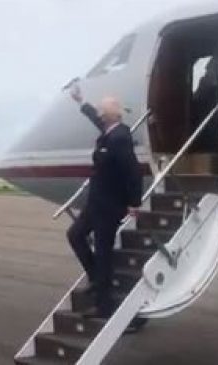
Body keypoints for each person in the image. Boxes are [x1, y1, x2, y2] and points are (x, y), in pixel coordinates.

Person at [67, 85, 143, 318]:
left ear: (112, 115)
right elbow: (95, 119)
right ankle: (96, 278)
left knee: (103, 253)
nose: (98, 113)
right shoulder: (110, 131)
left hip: (110, 207)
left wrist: (134, 202)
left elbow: (133, 171)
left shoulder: (120, 137)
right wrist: (81, 102)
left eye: (101, 111)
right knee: (75, 235)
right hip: (96, 203)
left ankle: (104, 306)